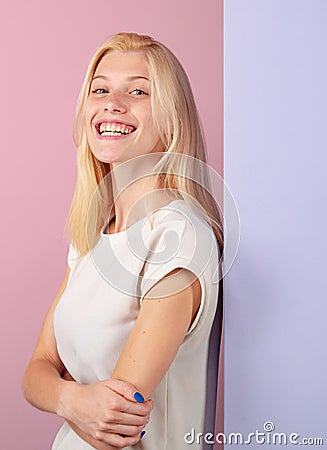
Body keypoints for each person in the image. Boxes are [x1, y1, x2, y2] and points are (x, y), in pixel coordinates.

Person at [22, 32, 224, 450]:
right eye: (100, 89)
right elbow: (35, 372)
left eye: (138, 91)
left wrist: (64, 398)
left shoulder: (178, 238)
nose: (112, 103)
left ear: (172, 118)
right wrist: (72, 399)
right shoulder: (91, 236)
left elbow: (116, 423)